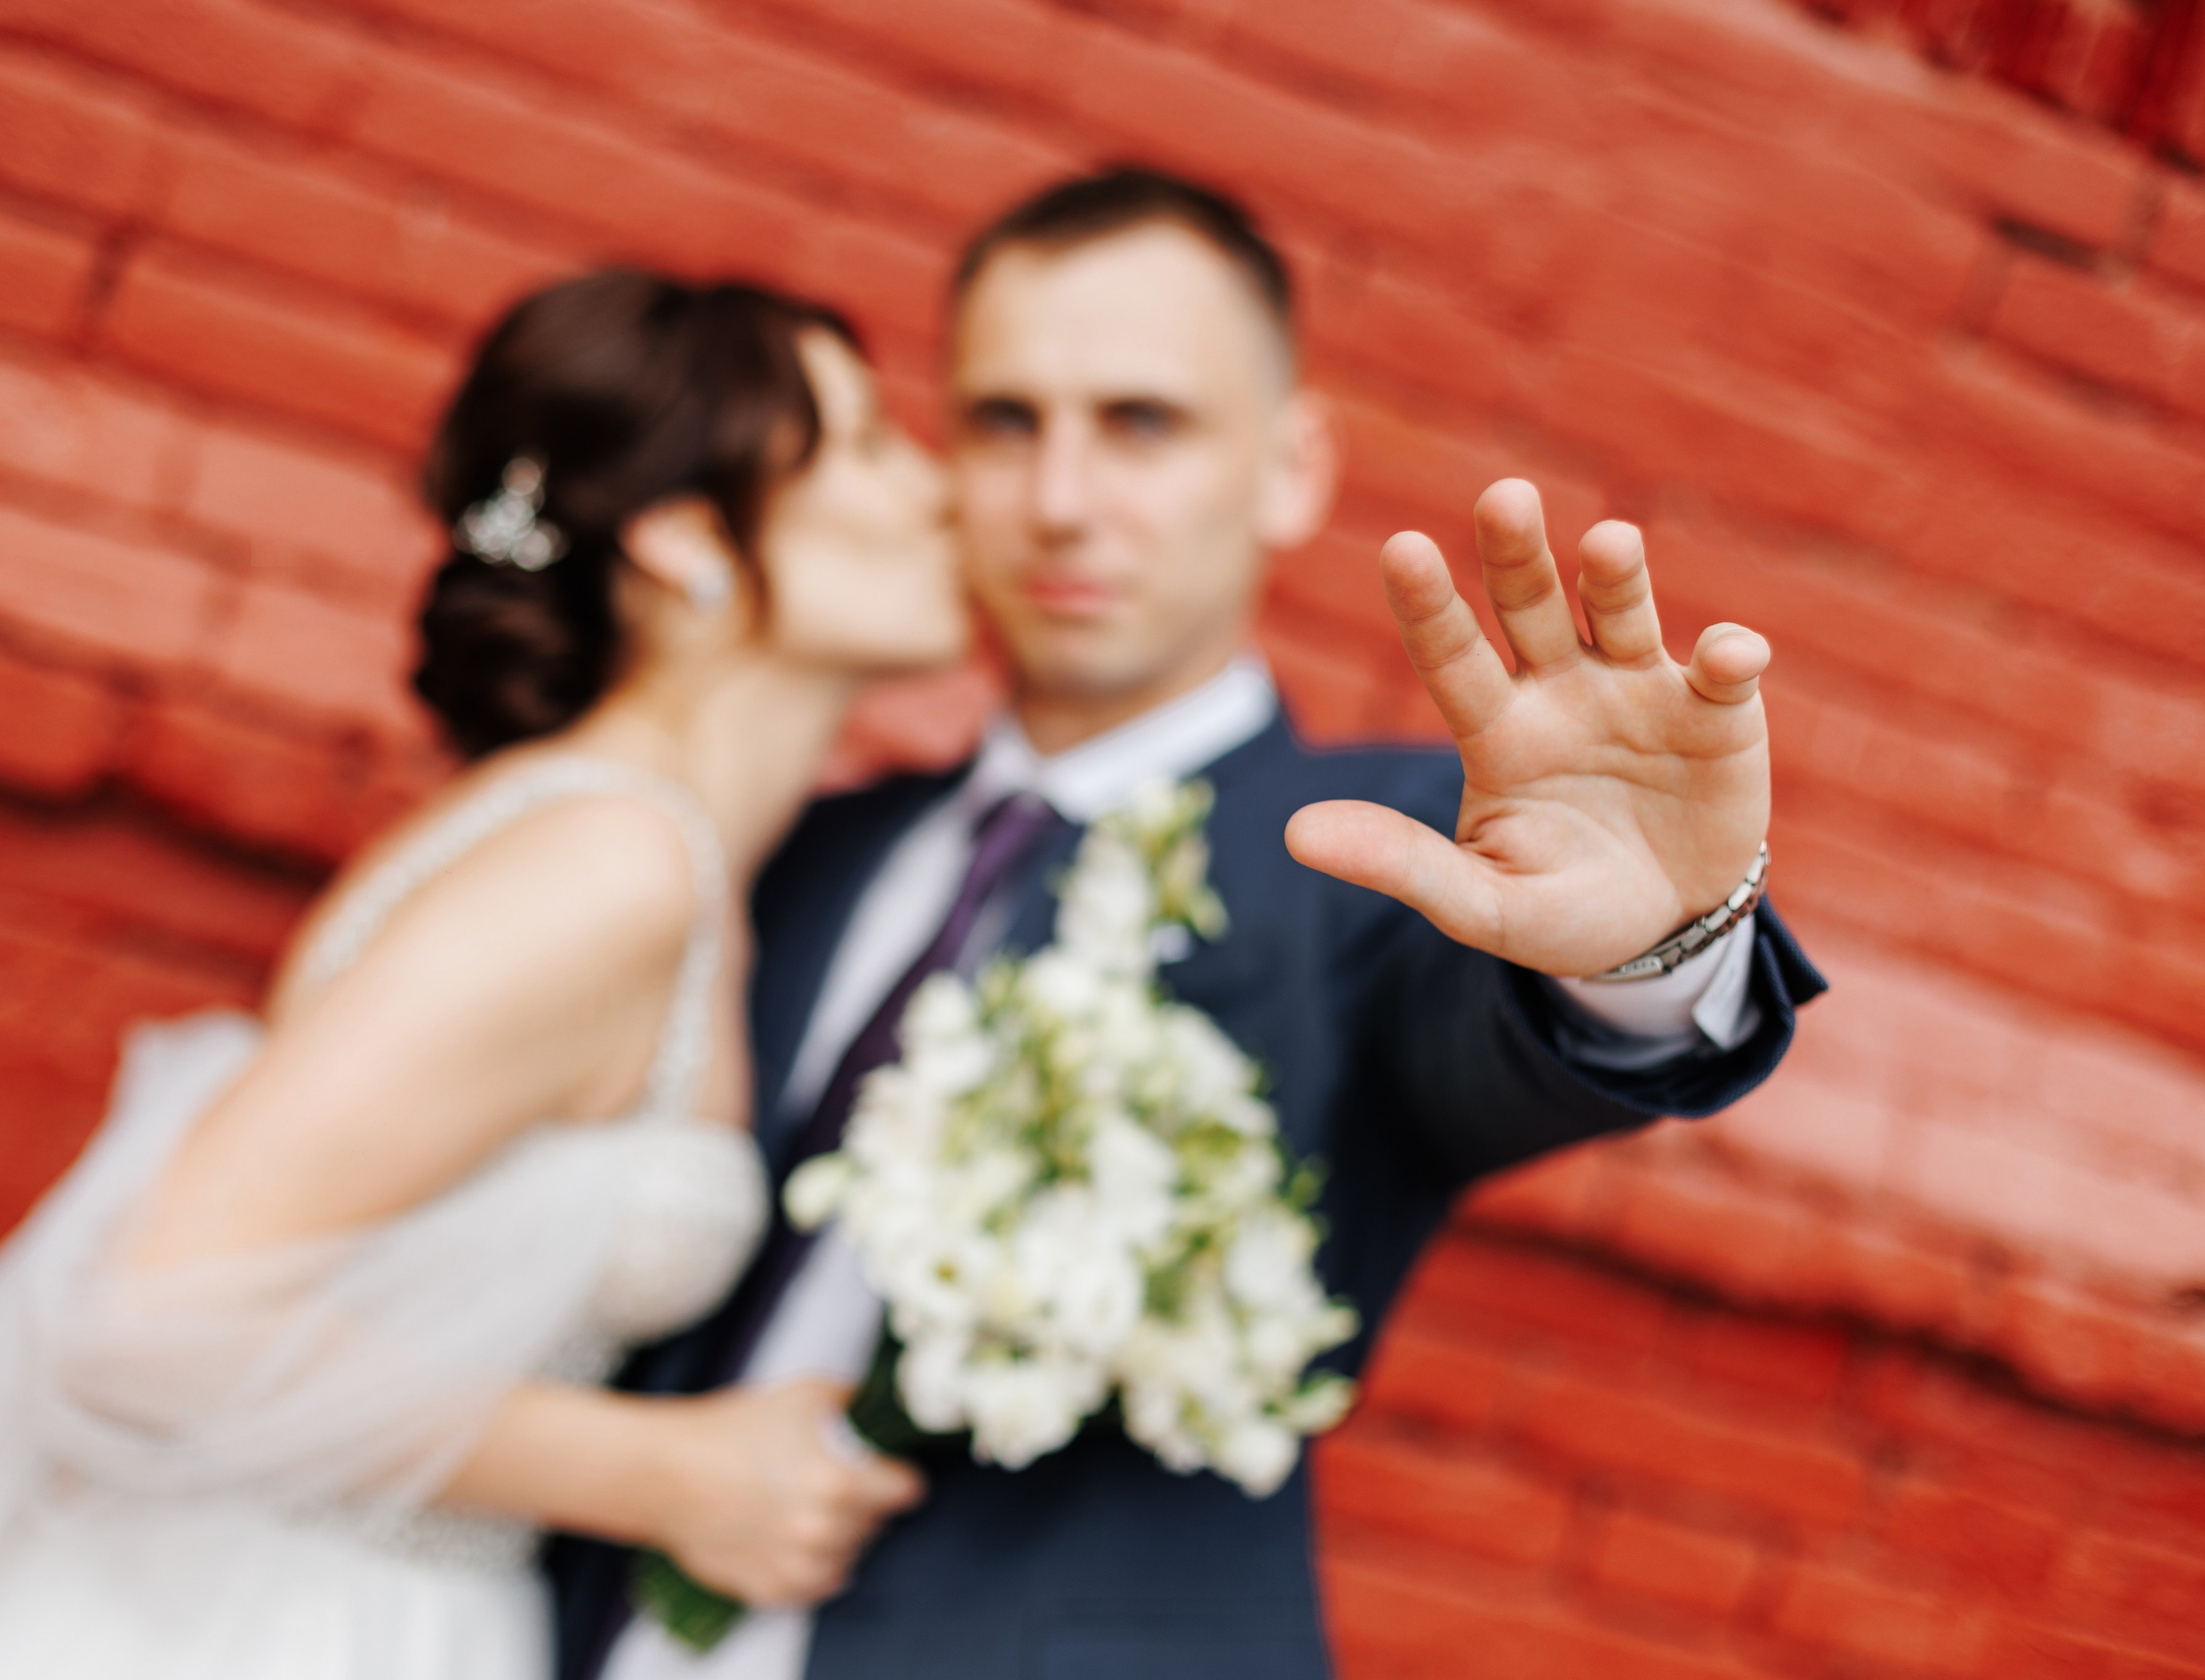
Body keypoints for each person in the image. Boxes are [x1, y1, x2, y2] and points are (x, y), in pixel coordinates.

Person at [552, 168, 1826, 1680]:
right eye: (1006, 422)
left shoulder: (1393, 861)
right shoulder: (807, 850)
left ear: (1291, 470)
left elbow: (1500, 1035)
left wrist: (1653, 945)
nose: (1062, 499)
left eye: (1142, 424)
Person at [0, 270, 966, 1680]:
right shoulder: (607, 866)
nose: (936, 489)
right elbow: (142, 1315)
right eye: (865, 446)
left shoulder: (662, 858)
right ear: (682, 539)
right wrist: (658, 1473)